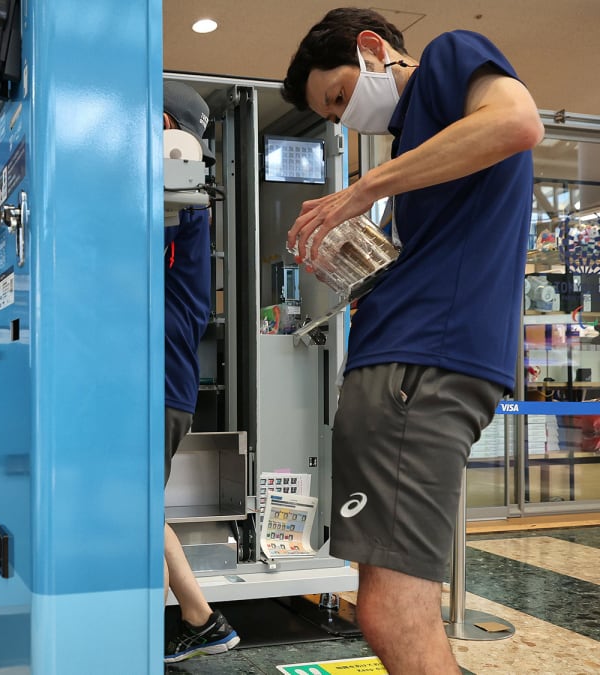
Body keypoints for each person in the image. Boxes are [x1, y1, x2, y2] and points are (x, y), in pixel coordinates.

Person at [280, 8, 543, 674]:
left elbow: (516, 121)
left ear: (372, 49)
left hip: (419, 365)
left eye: (339, 96)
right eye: (333, 116)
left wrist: (361, 190)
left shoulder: (449, 59)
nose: (344, 118)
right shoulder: (416, 149)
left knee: (392, 611)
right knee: (390, 601)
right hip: (408, 359)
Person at [161, 80, 240, 664]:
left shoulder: (178, 188)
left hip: (157, 386)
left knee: (132, 507)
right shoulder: (180, 194)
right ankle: (199, 618)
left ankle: (202, 617)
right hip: (160, 385)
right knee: (136, 507)